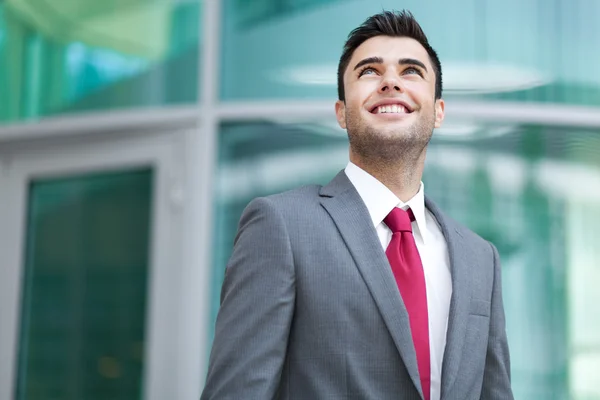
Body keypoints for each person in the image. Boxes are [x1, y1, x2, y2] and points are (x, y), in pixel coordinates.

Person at [201, 9, 513, 400]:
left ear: (438, 112)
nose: (390, 83)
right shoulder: (280, 225)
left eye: (411, 71)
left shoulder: (481, 258)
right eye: (369, 71)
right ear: (341, 113)